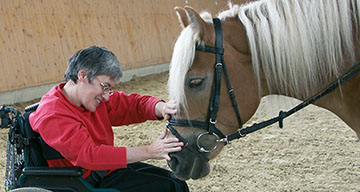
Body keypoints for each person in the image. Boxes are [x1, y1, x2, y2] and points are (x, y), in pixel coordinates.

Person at [29, 46, 189, 192]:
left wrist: (161, 108)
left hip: (106, 170)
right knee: (170, 188)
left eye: (110, 90)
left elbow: (133, 105)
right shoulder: (53, 113)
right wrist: (150, 151)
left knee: (177, 183)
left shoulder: (90, 99)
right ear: (83, 75)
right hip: (85, 182)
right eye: (105, 87)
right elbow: (89, 155)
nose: (106, 97)